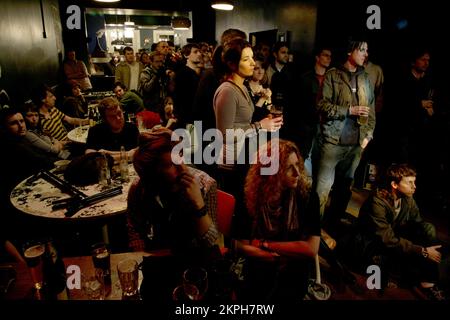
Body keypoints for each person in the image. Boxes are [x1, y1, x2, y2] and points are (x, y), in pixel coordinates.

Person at [236, 139, 320, 300]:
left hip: (293, 271)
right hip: (259, 268)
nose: (297, 173)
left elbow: (311, 248)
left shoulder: (307, 197)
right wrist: (274, 255)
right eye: (289, 168)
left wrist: (265, 245)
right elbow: (241, 244)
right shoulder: (252, 195)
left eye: (297, 164)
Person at [354, 164, 446, 300]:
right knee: (379, 273)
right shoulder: (377, 202)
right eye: (410, 183)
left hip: (394, 238)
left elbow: (417, 223)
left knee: (428, 228)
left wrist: (424, 244)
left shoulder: (407, 198)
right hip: (372, 244)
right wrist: (422, 251)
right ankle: (393, 269)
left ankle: (428, 280)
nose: (414, 187)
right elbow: (386, 239)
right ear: (394, 185)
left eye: (414, 182)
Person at [312, 39, 375, 232]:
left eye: (367, 50)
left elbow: (371, 112)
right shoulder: (333, 75)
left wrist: (367, 137)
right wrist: (349, 110)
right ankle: (314, 231)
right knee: (322, 189)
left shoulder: (366, 78)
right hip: (333, 141)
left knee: (344, 189)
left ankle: (333, 227)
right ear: (350, 51)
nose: (365, 54)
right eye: (362, 50)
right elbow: (322, 106)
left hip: (355, 145)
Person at [126, 128, 219, 257]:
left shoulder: (205, 185)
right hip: (157, 256)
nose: (182, 166)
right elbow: (135, 230)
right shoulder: (140, 188)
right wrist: (142, 257)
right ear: (154, 173)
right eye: (170, 164)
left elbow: (211, 242)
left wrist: (198, 204)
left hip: (194, 259)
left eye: (180, 155)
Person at [85, 97, 139, 163]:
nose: (118, 118)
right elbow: (89, 155)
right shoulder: (95, 130)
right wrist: (128, 155)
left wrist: (107, 153)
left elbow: (140, 151)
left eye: (119, 113)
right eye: (112, 116)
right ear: (104, 119)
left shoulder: (132, 128)